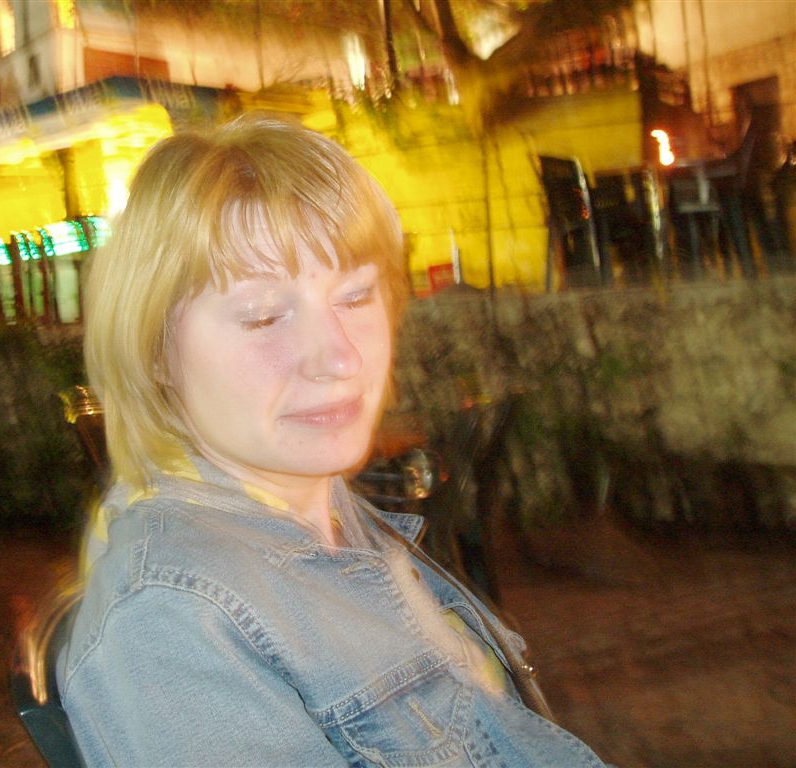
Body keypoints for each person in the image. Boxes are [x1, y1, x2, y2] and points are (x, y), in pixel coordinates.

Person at [60, 114, 607, 767]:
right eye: (263, 315)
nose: (340, 357)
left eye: (355, 296)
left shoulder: (327, 510)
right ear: (154, 350)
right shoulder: (172, 621)